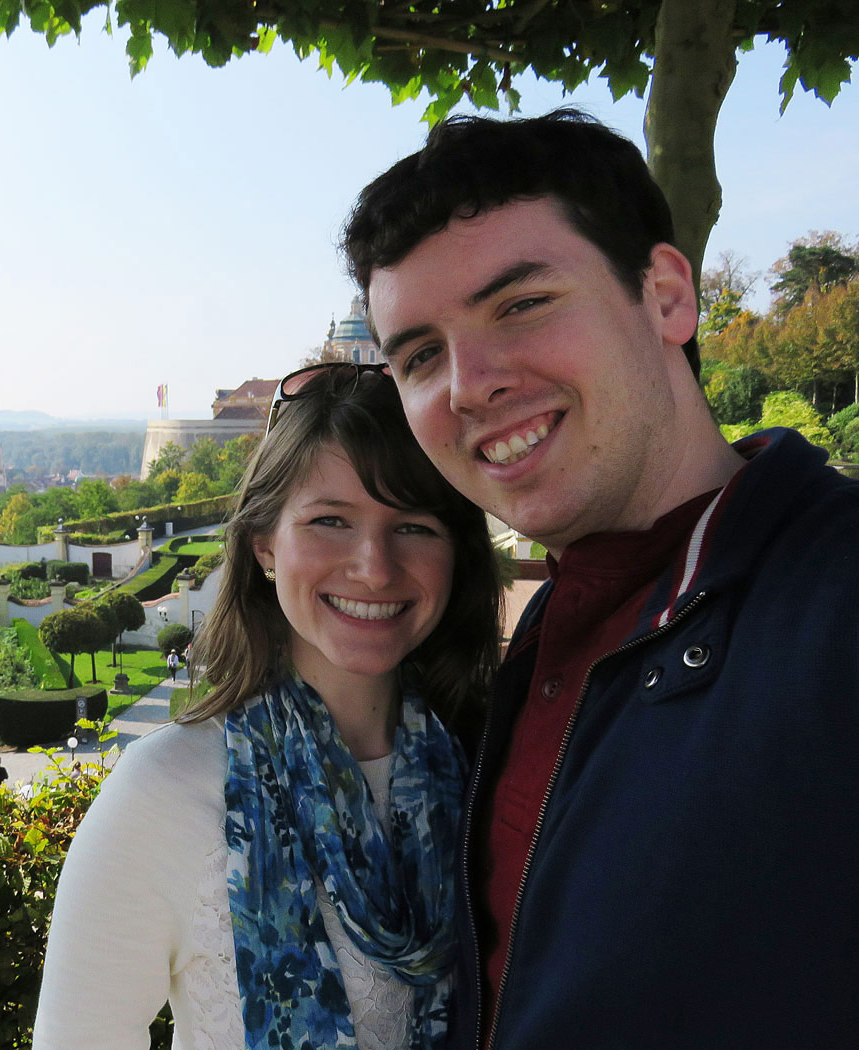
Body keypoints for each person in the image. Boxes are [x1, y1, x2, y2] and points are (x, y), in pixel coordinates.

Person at [342, 109, 859, 1050]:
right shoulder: (557, 622)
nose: (468, 383)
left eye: (521, 304)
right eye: (419, 355)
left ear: (666, 297)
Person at [33, 364, 503, 1050]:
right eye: (330, 521)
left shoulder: (496, 762)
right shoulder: (166, 792)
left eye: (415, 527)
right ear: (264, 547)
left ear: (456, 553)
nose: (374, 566)